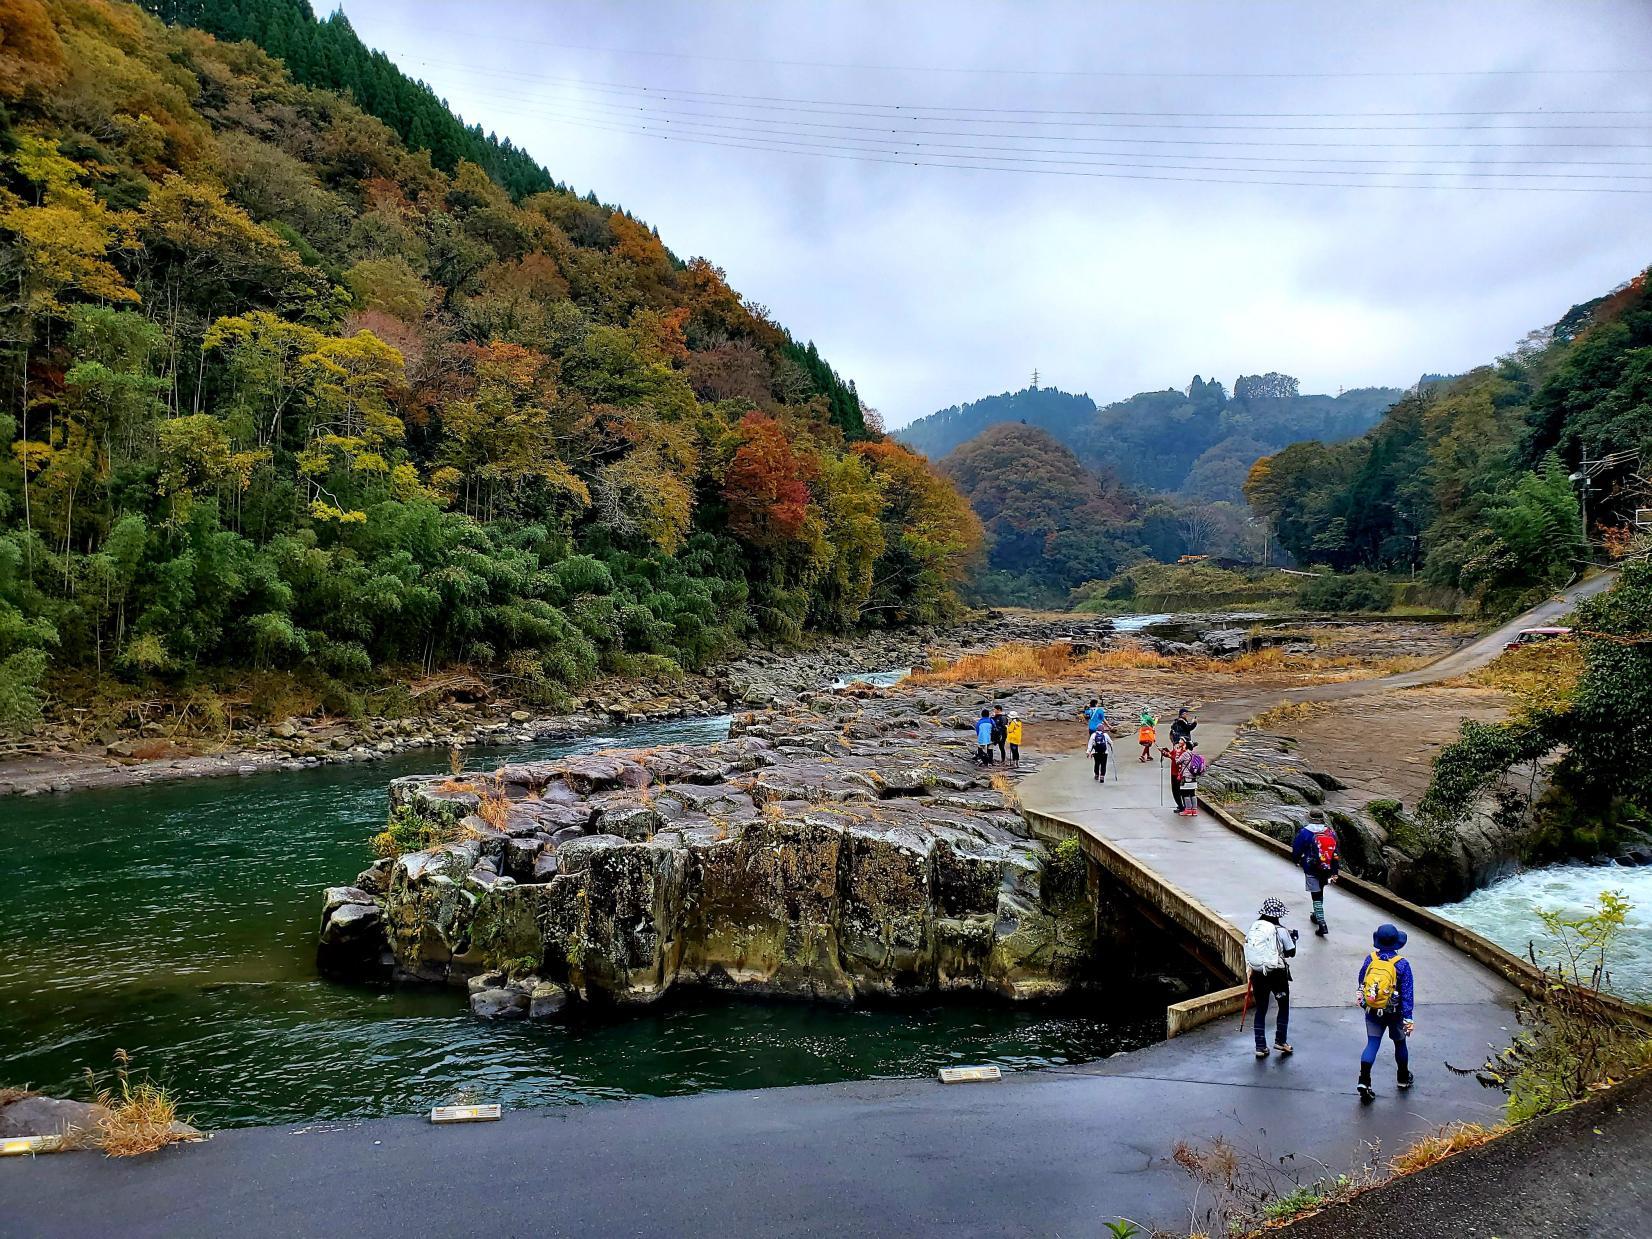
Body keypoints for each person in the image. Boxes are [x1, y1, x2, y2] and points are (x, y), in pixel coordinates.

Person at [1356, 923, 1416, 1102]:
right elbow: (1407, 993)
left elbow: (1362, 981)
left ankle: (1364, 1081)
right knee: (1400, 1044)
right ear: (1397, 943)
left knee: (1372, 1044)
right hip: (1395, 1012)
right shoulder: (1402, 964)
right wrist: (1408, 1017)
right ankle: (1403, 1078)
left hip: (1373, 1009)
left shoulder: (1370, 959)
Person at [1244, 897, 1299, 1058]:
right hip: (1277, 973)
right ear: (1277, 914)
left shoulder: (1255, 927)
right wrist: (1294, 939)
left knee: (1261, 1008)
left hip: (1258, 973)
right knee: (1283, 1005)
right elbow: (1291, 952)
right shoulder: (1280, 930)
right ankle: (1280, 1041)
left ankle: (1260, 1046)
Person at [1291, 809, 1341, 935]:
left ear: (1310, 818)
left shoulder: (1305, 832)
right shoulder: (1330, 832)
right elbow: (1336, 851)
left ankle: (1322, 923)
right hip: (1328, 867)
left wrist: (1296, 860)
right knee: (1321, 889)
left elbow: (1297, 848)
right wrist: (1335, 870)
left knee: (1316, 894)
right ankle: (1316, 914)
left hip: (1311, 867)